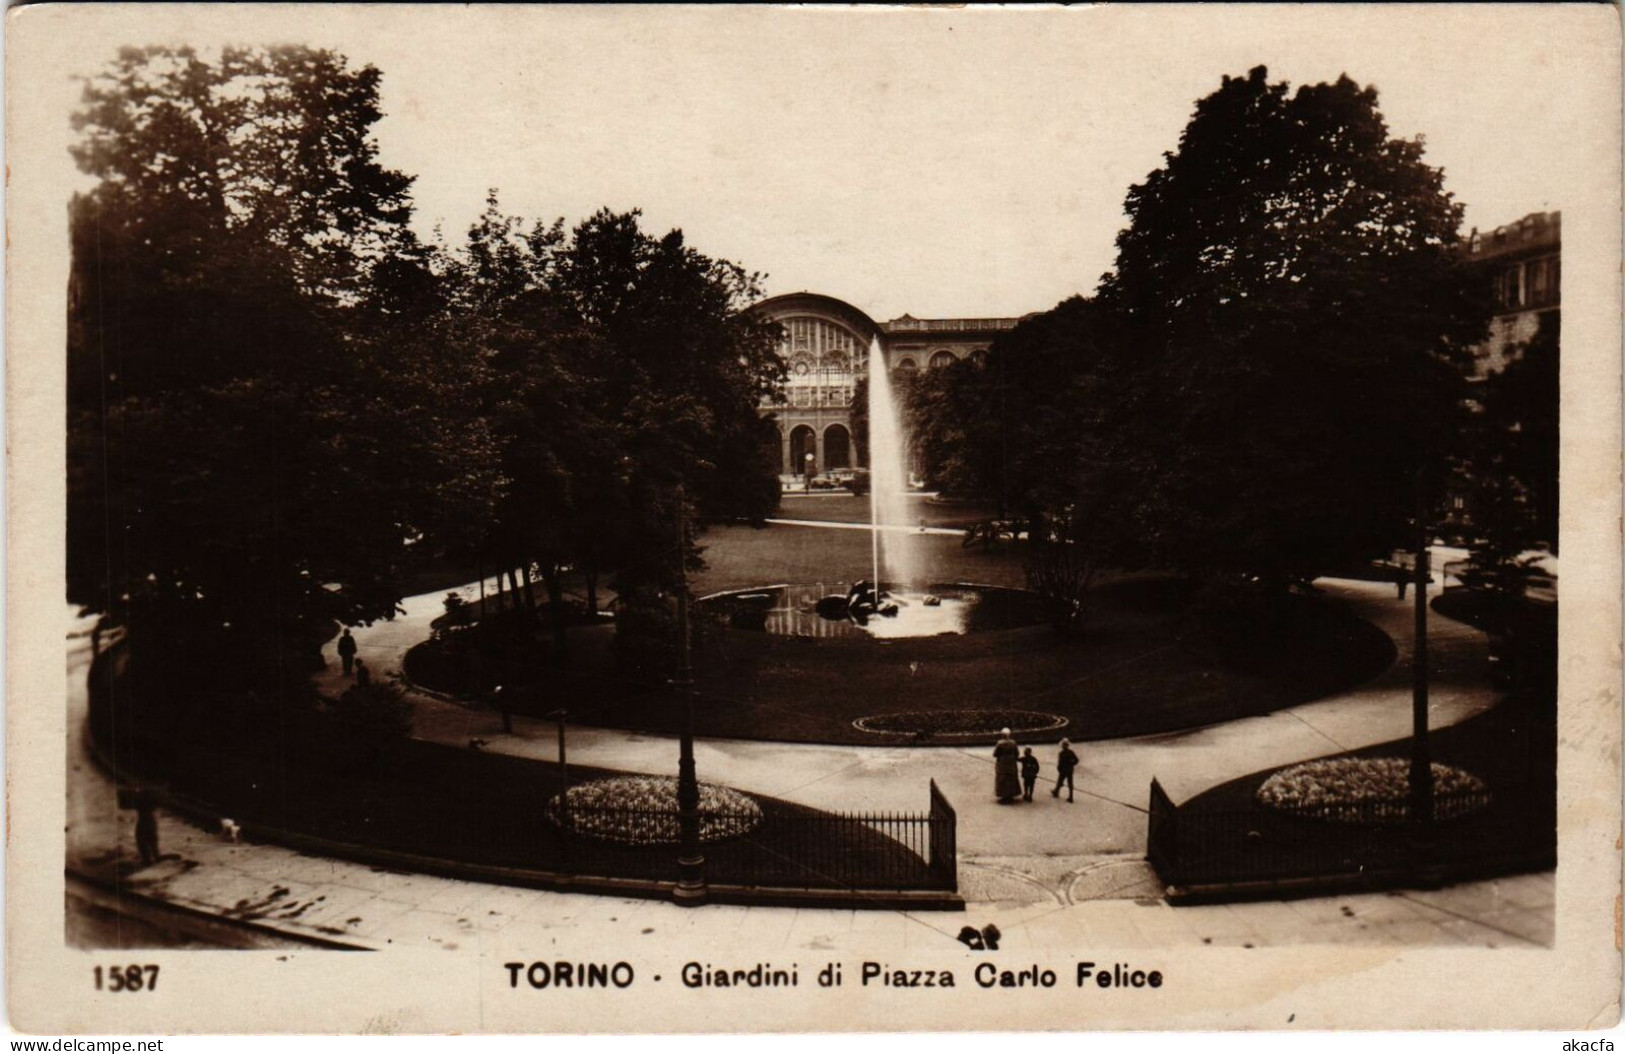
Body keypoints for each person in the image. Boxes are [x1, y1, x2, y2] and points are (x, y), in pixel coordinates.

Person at [993, 728, 1021, 803]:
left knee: (1003, 778)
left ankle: (1003, 795)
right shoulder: (1013, 743)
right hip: (1011, 762)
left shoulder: (1000, 743)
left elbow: (995, 754)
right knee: (1011, 778)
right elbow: (1017, 753)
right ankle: (1011, 795)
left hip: (1002, 762)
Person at [134, 790, 159, 867]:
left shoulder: (140, 799)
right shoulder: (151, 799)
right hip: (150, 821)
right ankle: (154, 857)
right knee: (152, 840)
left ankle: (148, 860)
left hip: (144, 821)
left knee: (142, 840)